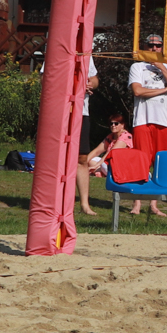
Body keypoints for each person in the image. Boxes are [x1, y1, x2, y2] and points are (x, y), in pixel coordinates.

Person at [129, 33, 167, 218]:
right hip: (142, 120)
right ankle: (137, 203)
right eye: (151, 45)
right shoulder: (137, 66)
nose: (154, 48)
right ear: (145, 46)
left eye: (158, 45)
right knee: (141, 161)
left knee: (161, 163)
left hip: (163, 121)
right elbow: (137, 91)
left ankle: (154, 204)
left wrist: (162, 68)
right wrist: (164, 89)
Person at [81, 113, 134, 194]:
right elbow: (97, 151)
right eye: (111, 123)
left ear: (123, 125)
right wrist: (83, 162)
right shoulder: (111, 136)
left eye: (116, 123)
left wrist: (96, 165)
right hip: (109, 163)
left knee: (102, 163)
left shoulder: (126, 136)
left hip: (120, 167)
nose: (113, 126)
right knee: (91, 160)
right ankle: (100, 172)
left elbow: (111, 153)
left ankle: (99, 171)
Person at [74, 55, 100, 215]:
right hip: (62, 112)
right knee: (59, 158)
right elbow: (46, 79)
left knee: (82, 157)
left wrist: (90, 84)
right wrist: (77, 87)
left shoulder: (86, 55)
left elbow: (94, 79)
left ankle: (84, 204)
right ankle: (56, 201)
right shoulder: (57, 50)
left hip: (82, 113)